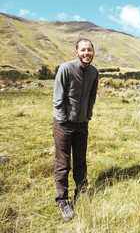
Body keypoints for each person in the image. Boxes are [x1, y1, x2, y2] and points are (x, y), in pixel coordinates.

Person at [53, 38, 98, 220]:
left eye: (90, 50)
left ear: (93, 52)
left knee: (81, 161)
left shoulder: (94, 72)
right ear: (77, 52)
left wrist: (88, 115)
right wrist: (64, 120)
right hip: (64, 124)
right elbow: (58, 97)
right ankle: (62, 200)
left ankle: (81, 193)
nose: (86, 53)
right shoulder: (66, 68)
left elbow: (92, 96)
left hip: (82, 124)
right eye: (83, 50)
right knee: (63, 164)